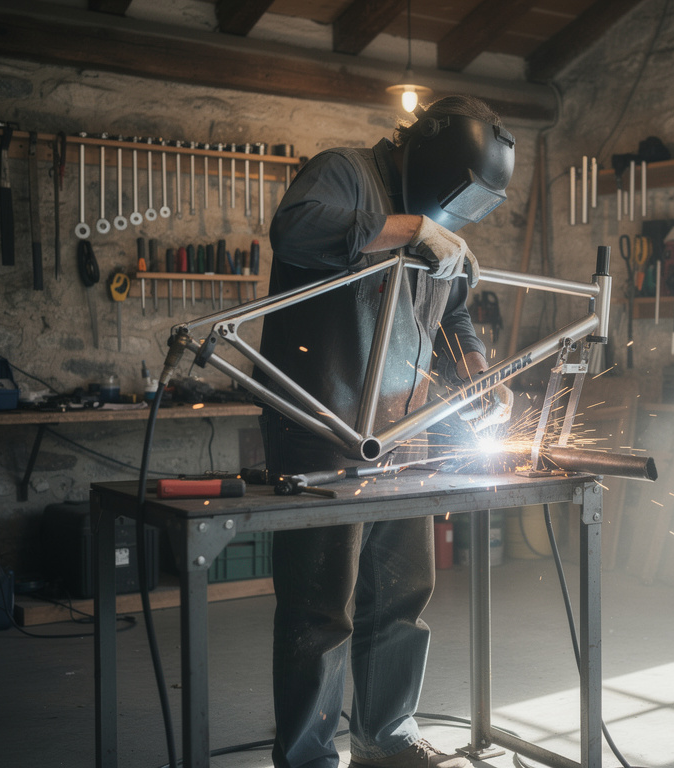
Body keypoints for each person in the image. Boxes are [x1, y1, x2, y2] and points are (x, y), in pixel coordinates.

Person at [258, 95, 516, 768]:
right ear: (431, 158)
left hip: (405, 437)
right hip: (322, 430)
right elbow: (294, 231)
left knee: (400, 596)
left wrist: (480, 376)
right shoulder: (343, 173)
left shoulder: (437, 221)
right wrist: (405, 230)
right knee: (321, 611)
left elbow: (454, 314)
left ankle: (387, 734)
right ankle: (309, 757)